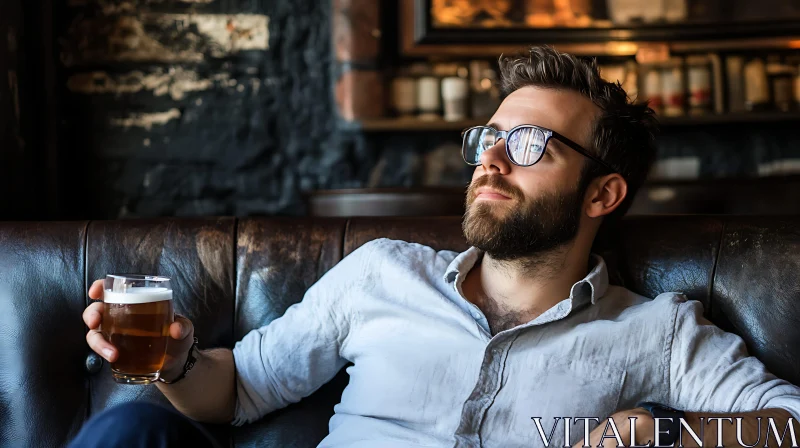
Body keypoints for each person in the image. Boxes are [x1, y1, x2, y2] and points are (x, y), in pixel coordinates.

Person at [72, 46, 800, 448]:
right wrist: (175, 364)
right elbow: (239, 390)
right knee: (133, 425)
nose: (492, 160)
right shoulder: (380, 274)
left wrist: (656, 432)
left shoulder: (659, 331)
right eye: (489, 140)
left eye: (528, 145)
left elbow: (790, 426)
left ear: (602, 195)